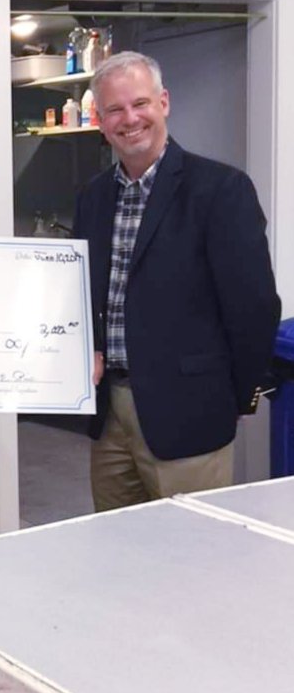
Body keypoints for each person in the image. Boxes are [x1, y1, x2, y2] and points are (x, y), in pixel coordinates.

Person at [72, 50, 280, 512]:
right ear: (100, 120)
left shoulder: (221, 190)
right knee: (117, 542)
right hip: (110, 415)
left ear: (163, 102)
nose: (130, 119)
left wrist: (232, 398)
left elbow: (254, 307)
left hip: (191, 411)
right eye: (115, 109)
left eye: (140, 103)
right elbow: (82, 295)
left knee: (193, 546)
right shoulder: (93, 197)